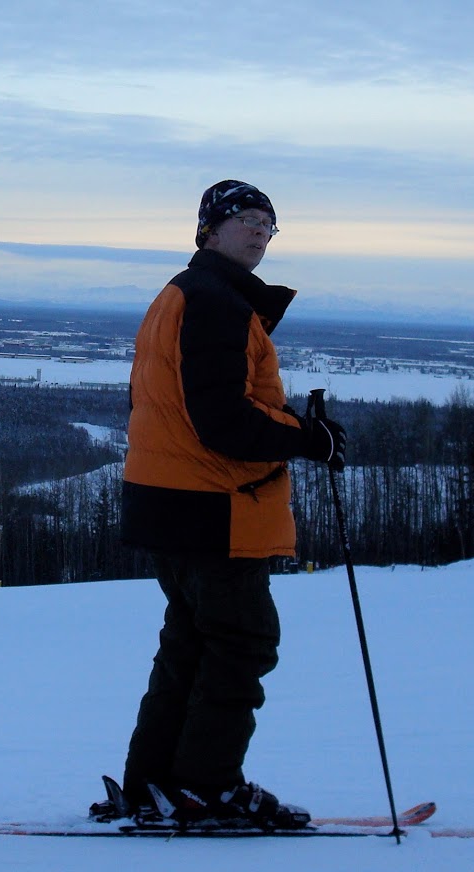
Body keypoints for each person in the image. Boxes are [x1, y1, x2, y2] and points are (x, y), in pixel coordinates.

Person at [103, 179, 346, 826]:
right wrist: (309, 438)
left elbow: (200, 410)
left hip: (176, 501)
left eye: (269, 223)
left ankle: (156, 783)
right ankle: (207, 786)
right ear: (207, 230)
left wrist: (299, 432)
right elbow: (223, 422)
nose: (260, 231)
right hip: (215, 504)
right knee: (240, 643)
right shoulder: (214, 302)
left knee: (191, 645)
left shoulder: (186, 295)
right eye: (245, 218)